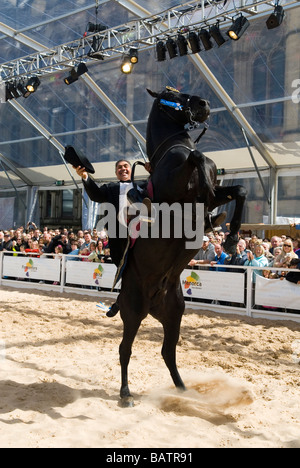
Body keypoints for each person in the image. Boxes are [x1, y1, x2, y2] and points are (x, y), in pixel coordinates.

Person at [74, 159, 151, 317]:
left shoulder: (142, 185)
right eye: (119, 167)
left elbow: (156, 187)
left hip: (140, 235)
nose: (123, 169)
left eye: (125, 166)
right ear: (116, 172)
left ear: (131, 170)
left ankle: (120, 302)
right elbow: (95, 194)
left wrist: (152, 171)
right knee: (126, 272)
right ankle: (121, 301)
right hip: (118, 237)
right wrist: (85, 176)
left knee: (137, 272)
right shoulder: (110, 188)